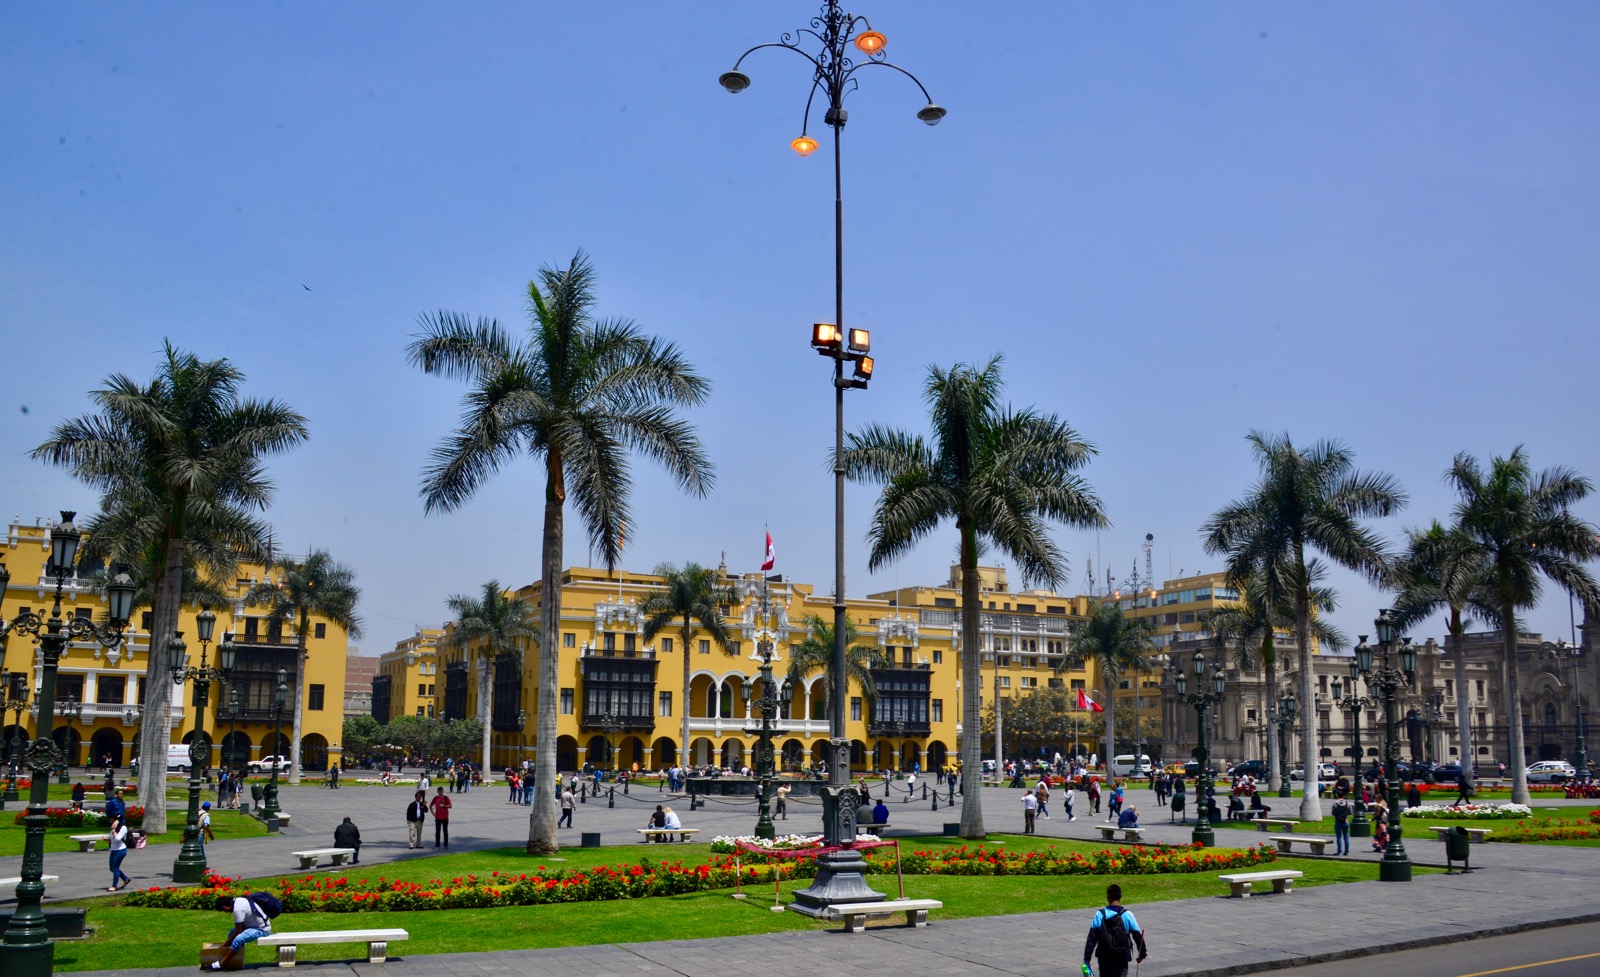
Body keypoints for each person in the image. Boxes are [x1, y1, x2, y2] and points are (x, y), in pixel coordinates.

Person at [1082, 883, 1148, 977]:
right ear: (1120, 896)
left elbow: (1091, 939)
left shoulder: (1099, 914)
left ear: (1108, 896)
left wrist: (1087, 959)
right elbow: (1138, 937)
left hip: (1104, 955)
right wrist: (1142, 954)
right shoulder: (1127, 915)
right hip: (1121, 956)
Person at [209, 893, 272, 970]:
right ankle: (234, 960)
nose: (225, 912)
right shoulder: (237, 900)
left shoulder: (238, 909)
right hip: (252, 926)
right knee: (231, 934)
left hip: (262, 929)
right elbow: (237, 929)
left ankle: (221, 964)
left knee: (238, 939)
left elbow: (238, 930)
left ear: (225, 907)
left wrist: (224, 945)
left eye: (224, 910)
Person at [107, 815, 132, 891]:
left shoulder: (123, 828)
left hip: (121, 850)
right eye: (110, 821)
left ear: (117, 821)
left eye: (112, 821)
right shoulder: (113, 828)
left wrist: (114, 830)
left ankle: (114, 886)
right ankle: (125, 879)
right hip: (114, 850)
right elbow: (112, 839)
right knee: (112, 868)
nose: (111, 822)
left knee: (115, 868)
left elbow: (118, 838)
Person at [1330, 790, 1352, 856]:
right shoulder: (1347, 803)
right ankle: (1347, 851)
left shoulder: (1335, 803)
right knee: (1346, 836)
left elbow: (1333, 813)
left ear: (1337, 795)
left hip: (1338, 820)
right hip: (1346, 820)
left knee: (1339, 837)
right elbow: (1350, 812)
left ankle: (1339, 851)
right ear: (1343, 795)